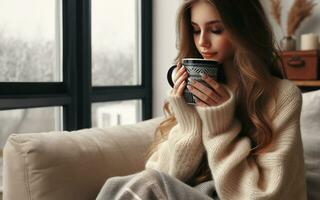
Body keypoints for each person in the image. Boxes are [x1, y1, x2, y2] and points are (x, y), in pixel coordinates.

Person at [96, 0, 307, 199]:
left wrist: (221, 125)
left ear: (244, 29)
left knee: (148, 184)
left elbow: (260, 195)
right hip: (197, 192)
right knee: (121, 184)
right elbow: (163, 172)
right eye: (196, 30)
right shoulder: (201, 85)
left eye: (216, 30)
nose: (202, 42)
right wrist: (189, 122)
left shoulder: (282, 96)